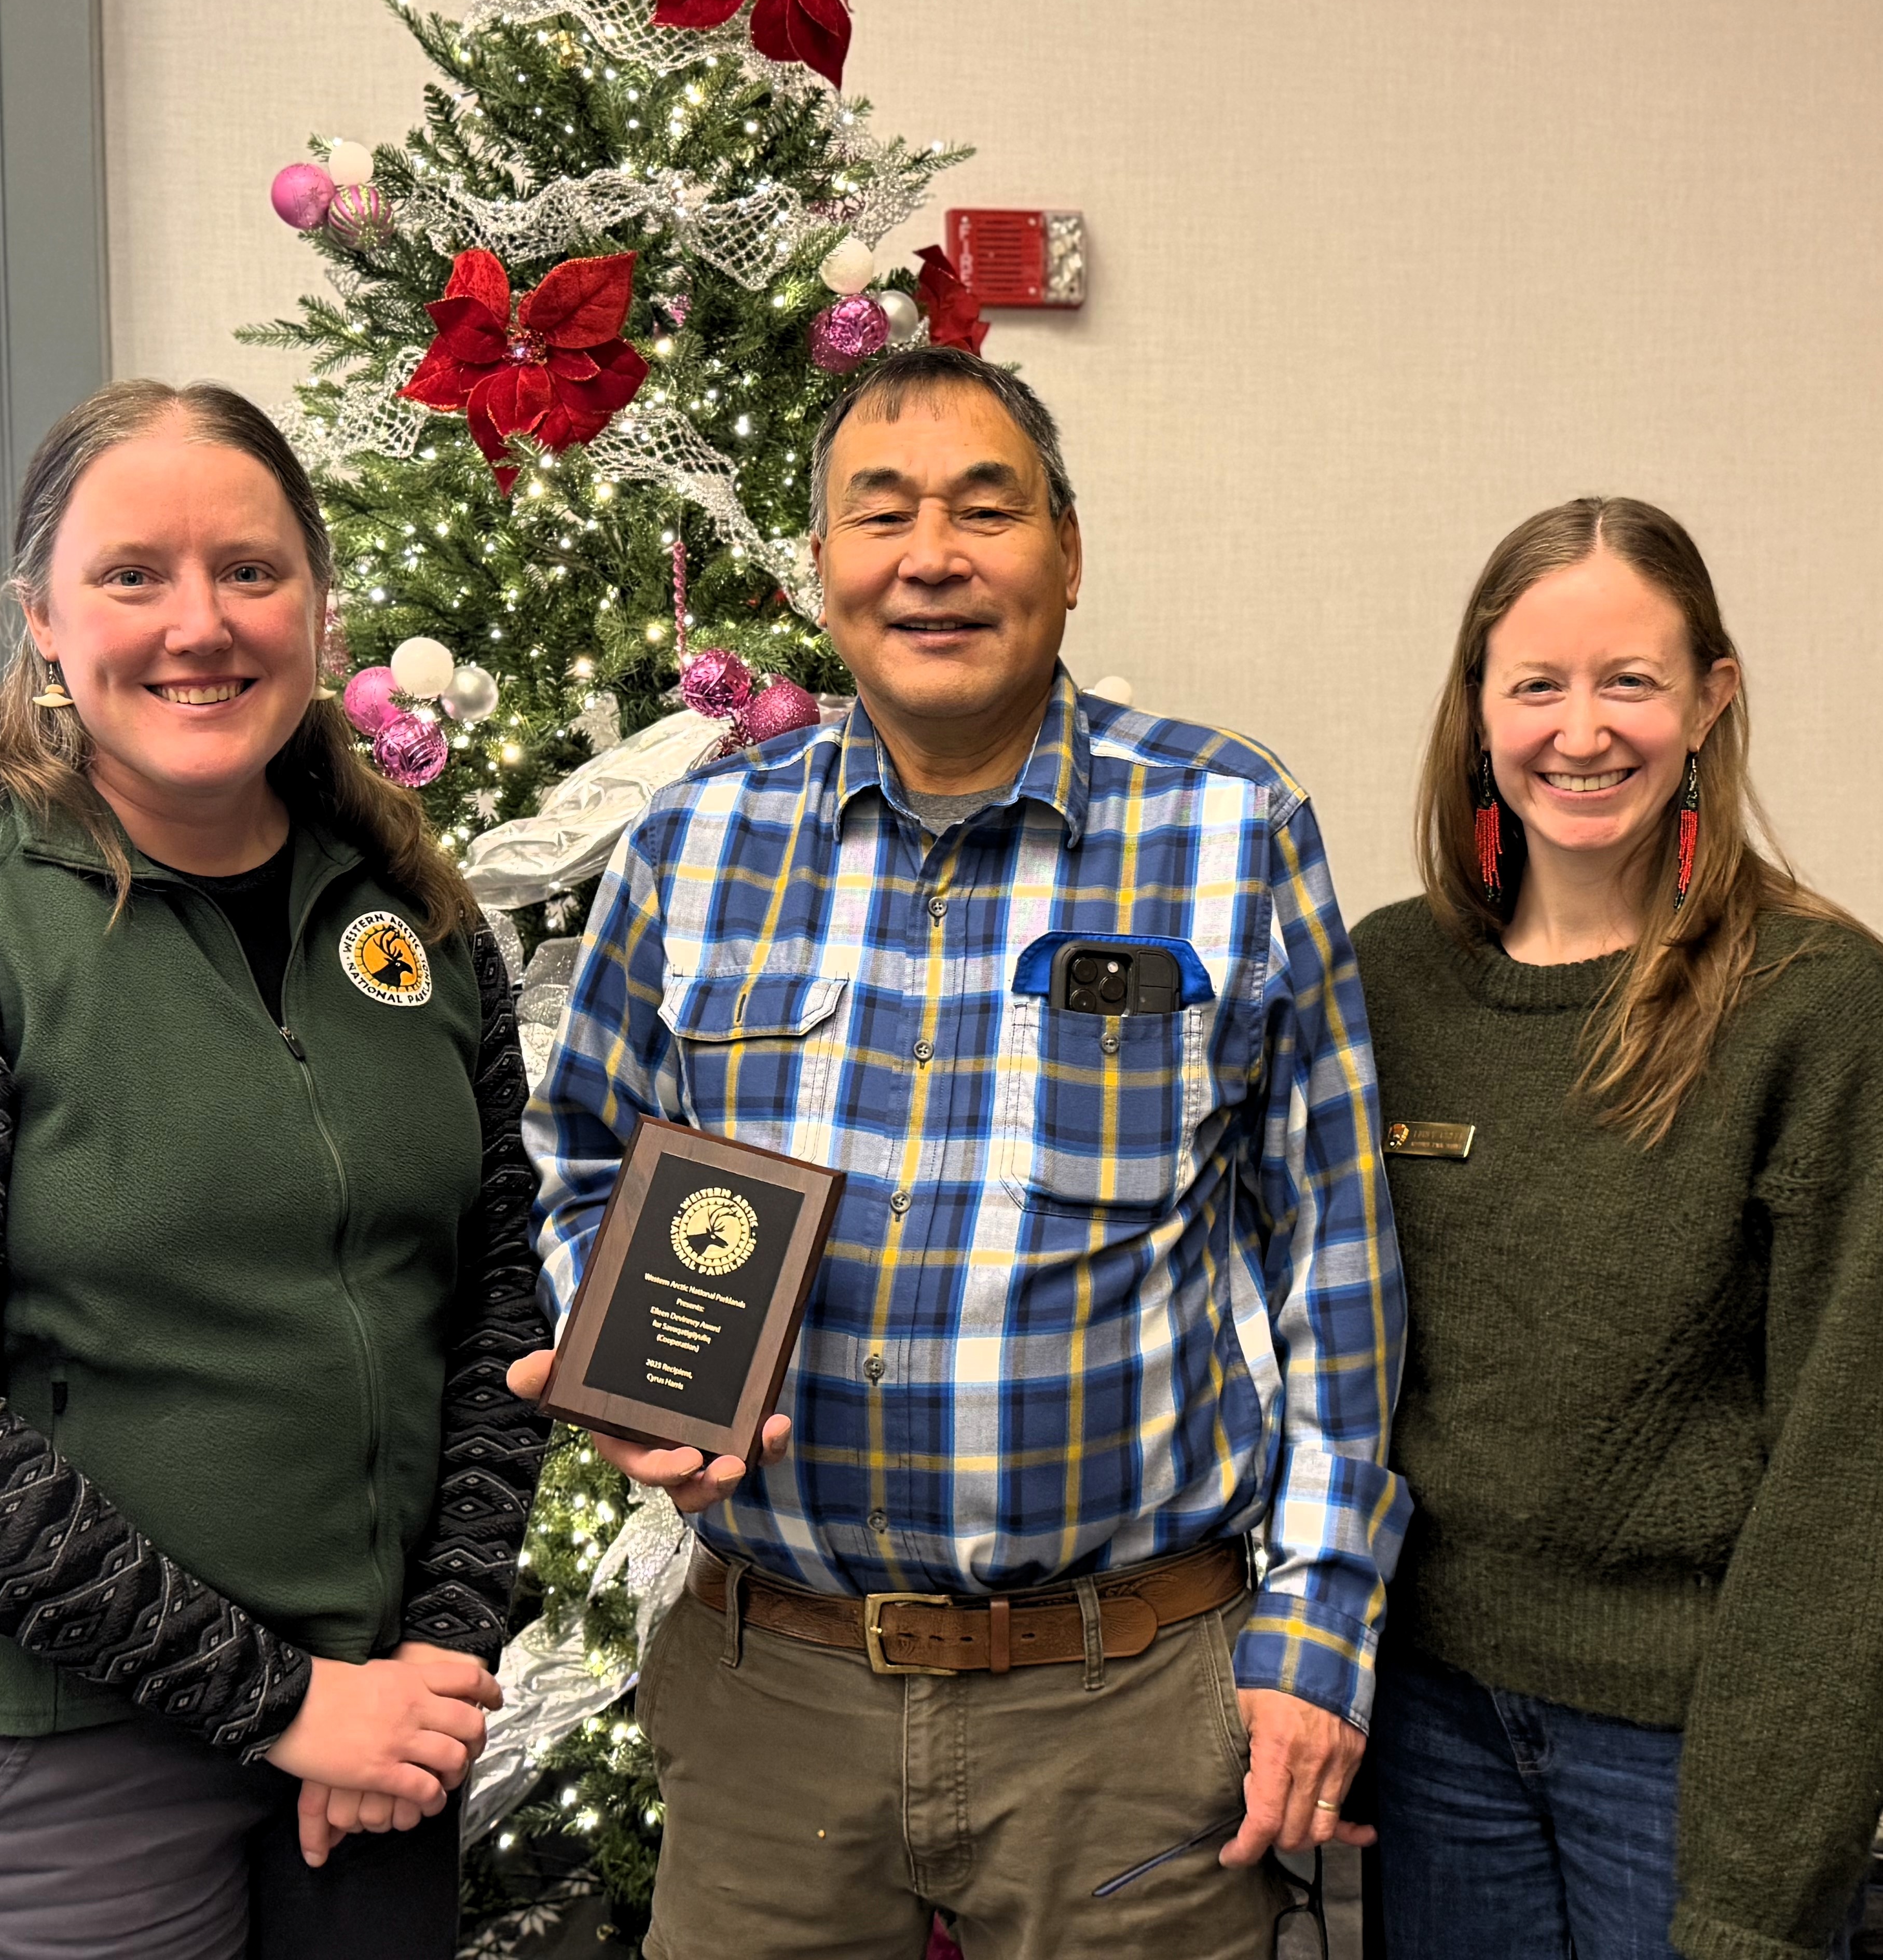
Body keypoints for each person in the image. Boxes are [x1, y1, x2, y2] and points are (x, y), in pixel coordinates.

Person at [502, 344, 1409, 1958]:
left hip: (1124, 1713)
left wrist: (1321, 1620)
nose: (934, 554)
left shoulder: (1228, 823)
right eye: (882, 513)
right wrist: (626, 1369)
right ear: (822, 568)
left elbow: (1334, 1259)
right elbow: (580, 1152)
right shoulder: (697, 844)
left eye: (986, 509)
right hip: (773, 1695)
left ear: (1068, 552)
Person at [0, 381, 549, 1958]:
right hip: (58, 1760)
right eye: (135, 575)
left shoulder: (414, 917)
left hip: (378, 1733)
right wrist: (281, 1701)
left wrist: (433, 1661)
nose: (202, 624)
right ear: (43, 618)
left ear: (319, 613)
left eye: (252, 571)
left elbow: (491, 1308)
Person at [1351, 498, 1883, 1959]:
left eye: (1631, 680)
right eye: (1537, 684)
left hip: (1688, 1752)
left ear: (1710, 699)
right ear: (1477, 705)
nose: (1583, 730)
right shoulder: (1387, 980)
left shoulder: (1819, 1005)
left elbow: (1860, 1473)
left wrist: (1763, 1876)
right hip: (1429, 1730)